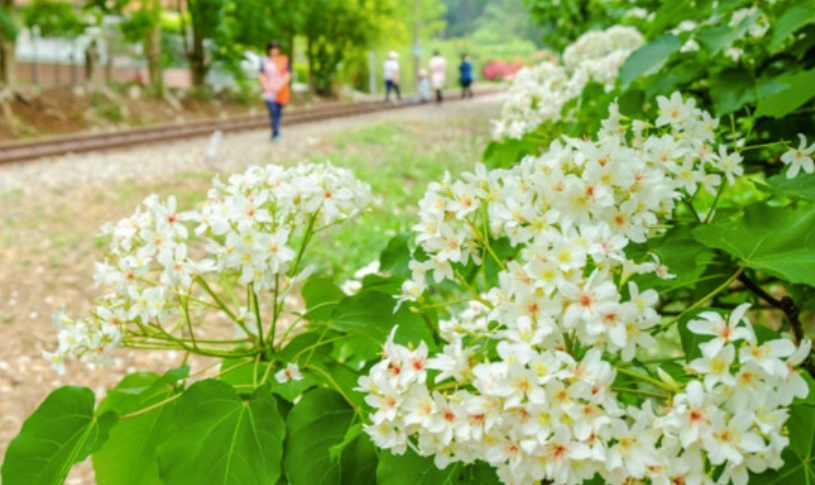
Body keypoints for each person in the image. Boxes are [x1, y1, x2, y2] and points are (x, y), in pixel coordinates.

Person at [258, 40, 291, 141]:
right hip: (269, 91)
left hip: (280, 91)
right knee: (272, 110)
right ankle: (275, 131)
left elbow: (287, 74)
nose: (274, 50)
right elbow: (261, 74)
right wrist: (266, 85)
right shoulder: (265, 61)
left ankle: (276, 130)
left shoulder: (283, 60)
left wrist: (279, 85)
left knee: (278, 111)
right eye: (272, 48)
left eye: (276, 48)